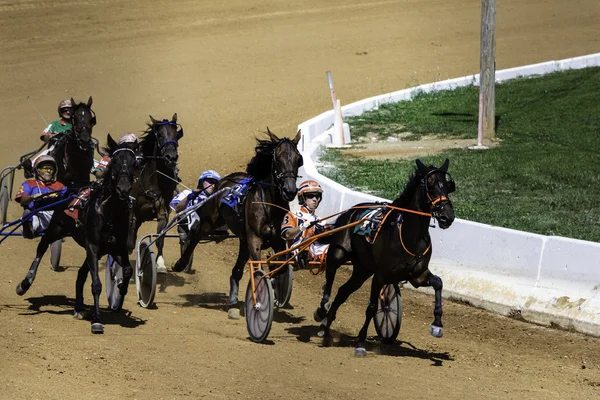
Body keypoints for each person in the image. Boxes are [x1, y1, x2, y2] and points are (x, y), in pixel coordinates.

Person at [169, 170, 221, 272]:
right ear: (202, 182)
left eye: (216, 183)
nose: (213, 185)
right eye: (210, 181)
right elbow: (178, 209)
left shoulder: (217, 199)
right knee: (185, 214)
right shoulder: (188, 193)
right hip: (189, 226)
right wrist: (189, 198)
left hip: (210, 226)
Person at [281, 180, 330, 269]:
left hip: (316, 248)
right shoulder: (292, 214)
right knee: (307, 240)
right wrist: (304, 225)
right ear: (302, 198)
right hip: (295, 249)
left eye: (317, 196)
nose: (315, 199)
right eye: (310, 196)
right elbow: (287, 234)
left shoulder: (321, 220)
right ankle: (303, 258)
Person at [15, 155, 67, 239]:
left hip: (57, 216)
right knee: (27, 212)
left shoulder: (59, 185)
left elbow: (69, 197)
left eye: (51, 169)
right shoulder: (29, 184)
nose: (49, 171)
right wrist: (32, 197)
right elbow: (22, 201)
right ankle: (29, 229)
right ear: (38, 170)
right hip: (38, 215)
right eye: (45, 168)